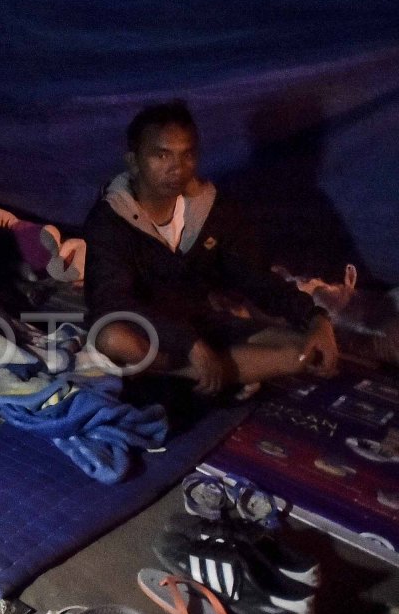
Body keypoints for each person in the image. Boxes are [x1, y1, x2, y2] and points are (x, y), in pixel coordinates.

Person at [83, 100, 339, 396]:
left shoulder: (212, 210)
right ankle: (210, 371)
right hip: (149, 330)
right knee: (112, 338)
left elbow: (256, 278)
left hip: (203, 324)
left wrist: (315, 318)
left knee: (304, 349)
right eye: (161, 155)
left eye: (187, 154)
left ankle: (197, 373)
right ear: (133, 161)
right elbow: (112, 300)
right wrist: (189, 344)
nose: (176, 168)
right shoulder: (110, 218)